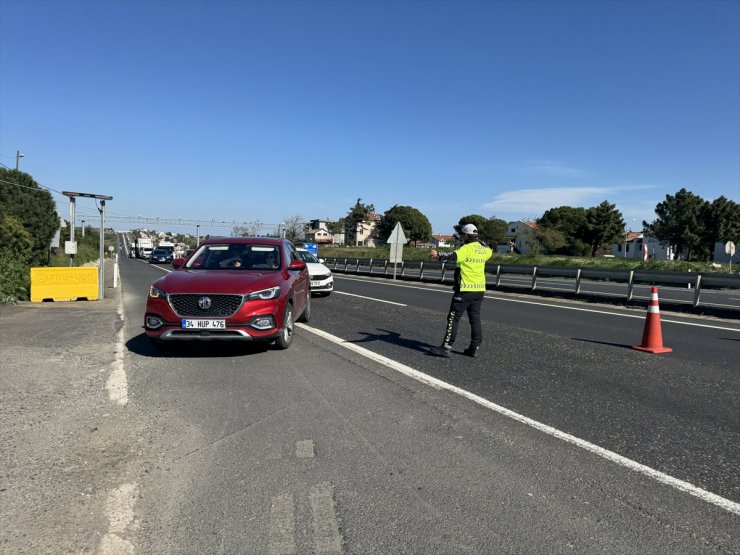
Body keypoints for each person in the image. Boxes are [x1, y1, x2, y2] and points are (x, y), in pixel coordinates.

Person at [430, 223, 493, 358]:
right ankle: (473, 348)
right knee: (475, 319)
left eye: (462, 235)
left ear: (465, 235)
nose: (461, 237)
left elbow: (452, 256)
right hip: (479, 289)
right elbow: (489, 249)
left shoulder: (466, 248)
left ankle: (446, 347)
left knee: (453, 317)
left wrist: (438, 255)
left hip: (464, 289)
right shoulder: (484, 250)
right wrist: (479, 240)